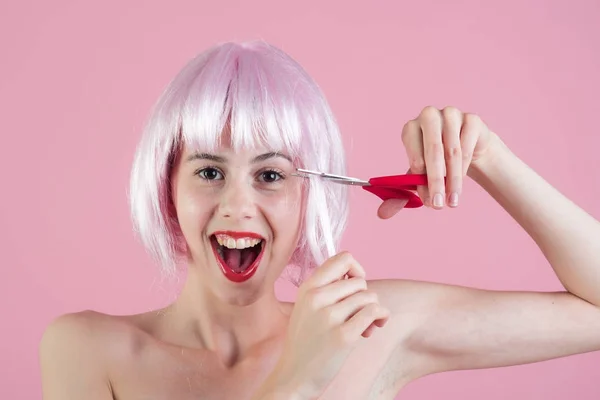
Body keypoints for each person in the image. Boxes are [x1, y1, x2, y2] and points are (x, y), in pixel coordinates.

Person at [39, 41, 600, 400]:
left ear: (309, 194)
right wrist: (299, 380)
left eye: (272, 175)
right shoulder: (88, 352)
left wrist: (485, 158)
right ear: (167, 187)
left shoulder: (375, 328)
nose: (237, 206)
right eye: (209, 173)